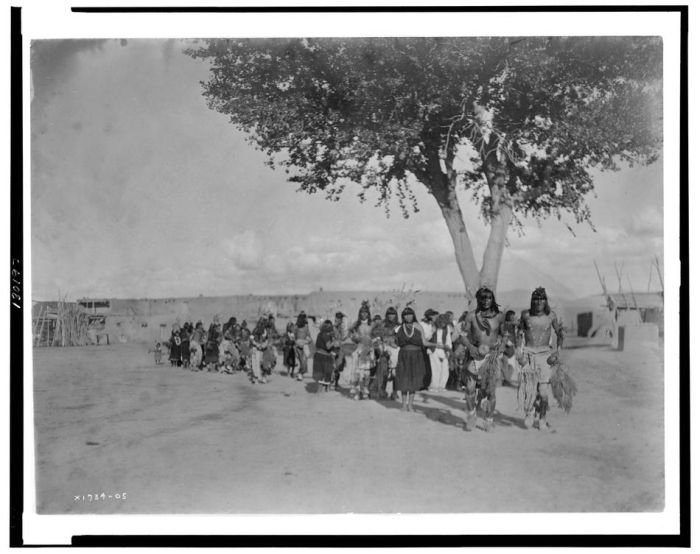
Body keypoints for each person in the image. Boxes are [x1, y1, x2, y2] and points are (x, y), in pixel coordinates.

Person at [518, 287, 565, 432]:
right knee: (529, 389)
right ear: (532, 300)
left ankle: (543, 419)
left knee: (544, 393)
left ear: (546, 301)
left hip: (545, 356)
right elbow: (519, 334)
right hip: (529, 354)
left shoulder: (551, 316)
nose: (539, 302)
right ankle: (530, 413)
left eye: (542, 299)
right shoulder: (525, 315)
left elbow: (559, 333)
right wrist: (519, 352)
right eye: (536, 299)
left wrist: (558, 352)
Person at [461, 287, 506, 432]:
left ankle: (488, 420)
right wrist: (470, 347)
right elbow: (462, 335)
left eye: (488, 298)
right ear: (478, 299)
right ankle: (472, 416)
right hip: (474, 355)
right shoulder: (471, 316)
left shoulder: (499, 317)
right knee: (469, 389)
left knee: (490, 392)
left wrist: (501, 347)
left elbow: (505, 335)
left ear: (492, 299)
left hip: (491, 357)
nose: (486, 301)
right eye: (482, 298)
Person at [394, 306, 446, 412]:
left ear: (413, 315)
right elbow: (396, 342)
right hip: (404, 356)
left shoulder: (418, 326)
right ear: (403, 316)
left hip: (416, 356)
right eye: (406, 315)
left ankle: (410, 405)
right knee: (404, 380)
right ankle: (403, 405)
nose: (408, 317)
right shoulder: (400, 328)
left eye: (410, 314)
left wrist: (436, 344)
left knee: (413, 380)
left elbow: (424, 342)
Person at [370, 307, 400, 400]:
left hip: (396, 350)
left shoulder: (399, 325)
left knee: (396, 372)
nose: (391, 316)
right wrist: (381, 345)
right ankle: (381, 391)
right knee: (383, 371)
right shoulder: (382, 325)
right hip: (384, 350)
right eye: (389, 314)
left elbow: (401, 338)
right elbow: (374, 335)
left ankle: (395, 392)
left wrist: (395, 344)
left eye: (393, 314)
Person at [349, 302, 375, 400]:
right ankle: (357, 392)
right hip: (359, 349)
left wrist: (373, 343)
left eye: (366, 313)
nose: (364, 314)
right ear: (359, 314)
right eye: (362, 313)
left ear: (368, 313)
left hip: (368, 349)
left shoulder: (372, 324)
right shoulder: (356, 324)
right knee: (358, 373)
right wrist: (354, 337)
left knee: (367, 373)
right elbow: (351, 334)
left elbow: (376, 335)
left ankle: (365, 391)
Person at [312, 320, 338, 392]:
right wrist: (334, 341)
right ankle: (323, 393)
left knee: (320, 377)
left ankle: (320, 393)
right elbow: (328, 346)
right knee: (325, 376)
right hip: (324, 357)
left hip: (318, 355)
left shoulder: (320, 334)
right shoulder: (325, 335)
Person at [429, 314, 453, 391]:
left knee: (445, 368)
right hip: (434, 349)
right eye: (442, 322)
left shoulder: (447, 328)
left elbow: (448, 339)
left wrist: (448, 349)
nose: (443, 324)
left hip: (443, 349)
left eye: (445, 323)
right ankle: (434, 386)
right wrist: (432, 331)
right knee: (436, 367)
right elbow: (427, 337)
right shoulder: (432, 327)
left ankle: (442, 386)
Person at [420, 309, 439, 390]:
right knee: (422, 366)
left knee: (427, 367)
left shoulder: (431, 325)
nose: (436, 317)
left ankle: (425, 384)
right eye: (434, 316)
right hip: (422, 347)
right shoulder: (422, 324)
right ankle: (420, 384)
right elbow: (425, 337)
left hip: (427, 346)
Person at [331, 312, 348, 390]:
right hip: (333, 349)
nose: (340, 320)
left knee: (339, 366)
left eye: (341, 319)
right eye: (339, 318)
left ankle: (336, 383)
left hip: (340, 349)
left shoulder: (342, 328)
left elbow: (343, 338)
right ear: (336, 319)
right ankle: (333, 381)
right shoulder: (332, 328)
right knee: (333, 366)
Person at [293, 311, 312, 381]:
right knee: (301, 361)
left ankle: (300, 373)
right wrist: (296, 342)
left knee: (303, 360)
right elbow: (293, 335)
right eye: (305, 318)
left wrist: (308, 340)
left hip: (304, 345)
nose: (306, 319)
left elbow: (308, 335)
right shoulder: (296, 326)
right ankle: (300, 374)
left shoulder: (305, 326)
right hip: (298, 345)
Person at [250, 318, 270, 384]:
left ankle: (258, 377)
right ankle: (257, 378)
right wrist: (257, 344)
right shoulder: (256, 330)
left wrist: (263, 345)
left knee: (257, 363)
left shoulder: (263, 331)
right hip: (256, 348)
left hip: (259, 349)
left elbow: (266, 340)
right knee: (255, 363)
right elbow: (252, 339)